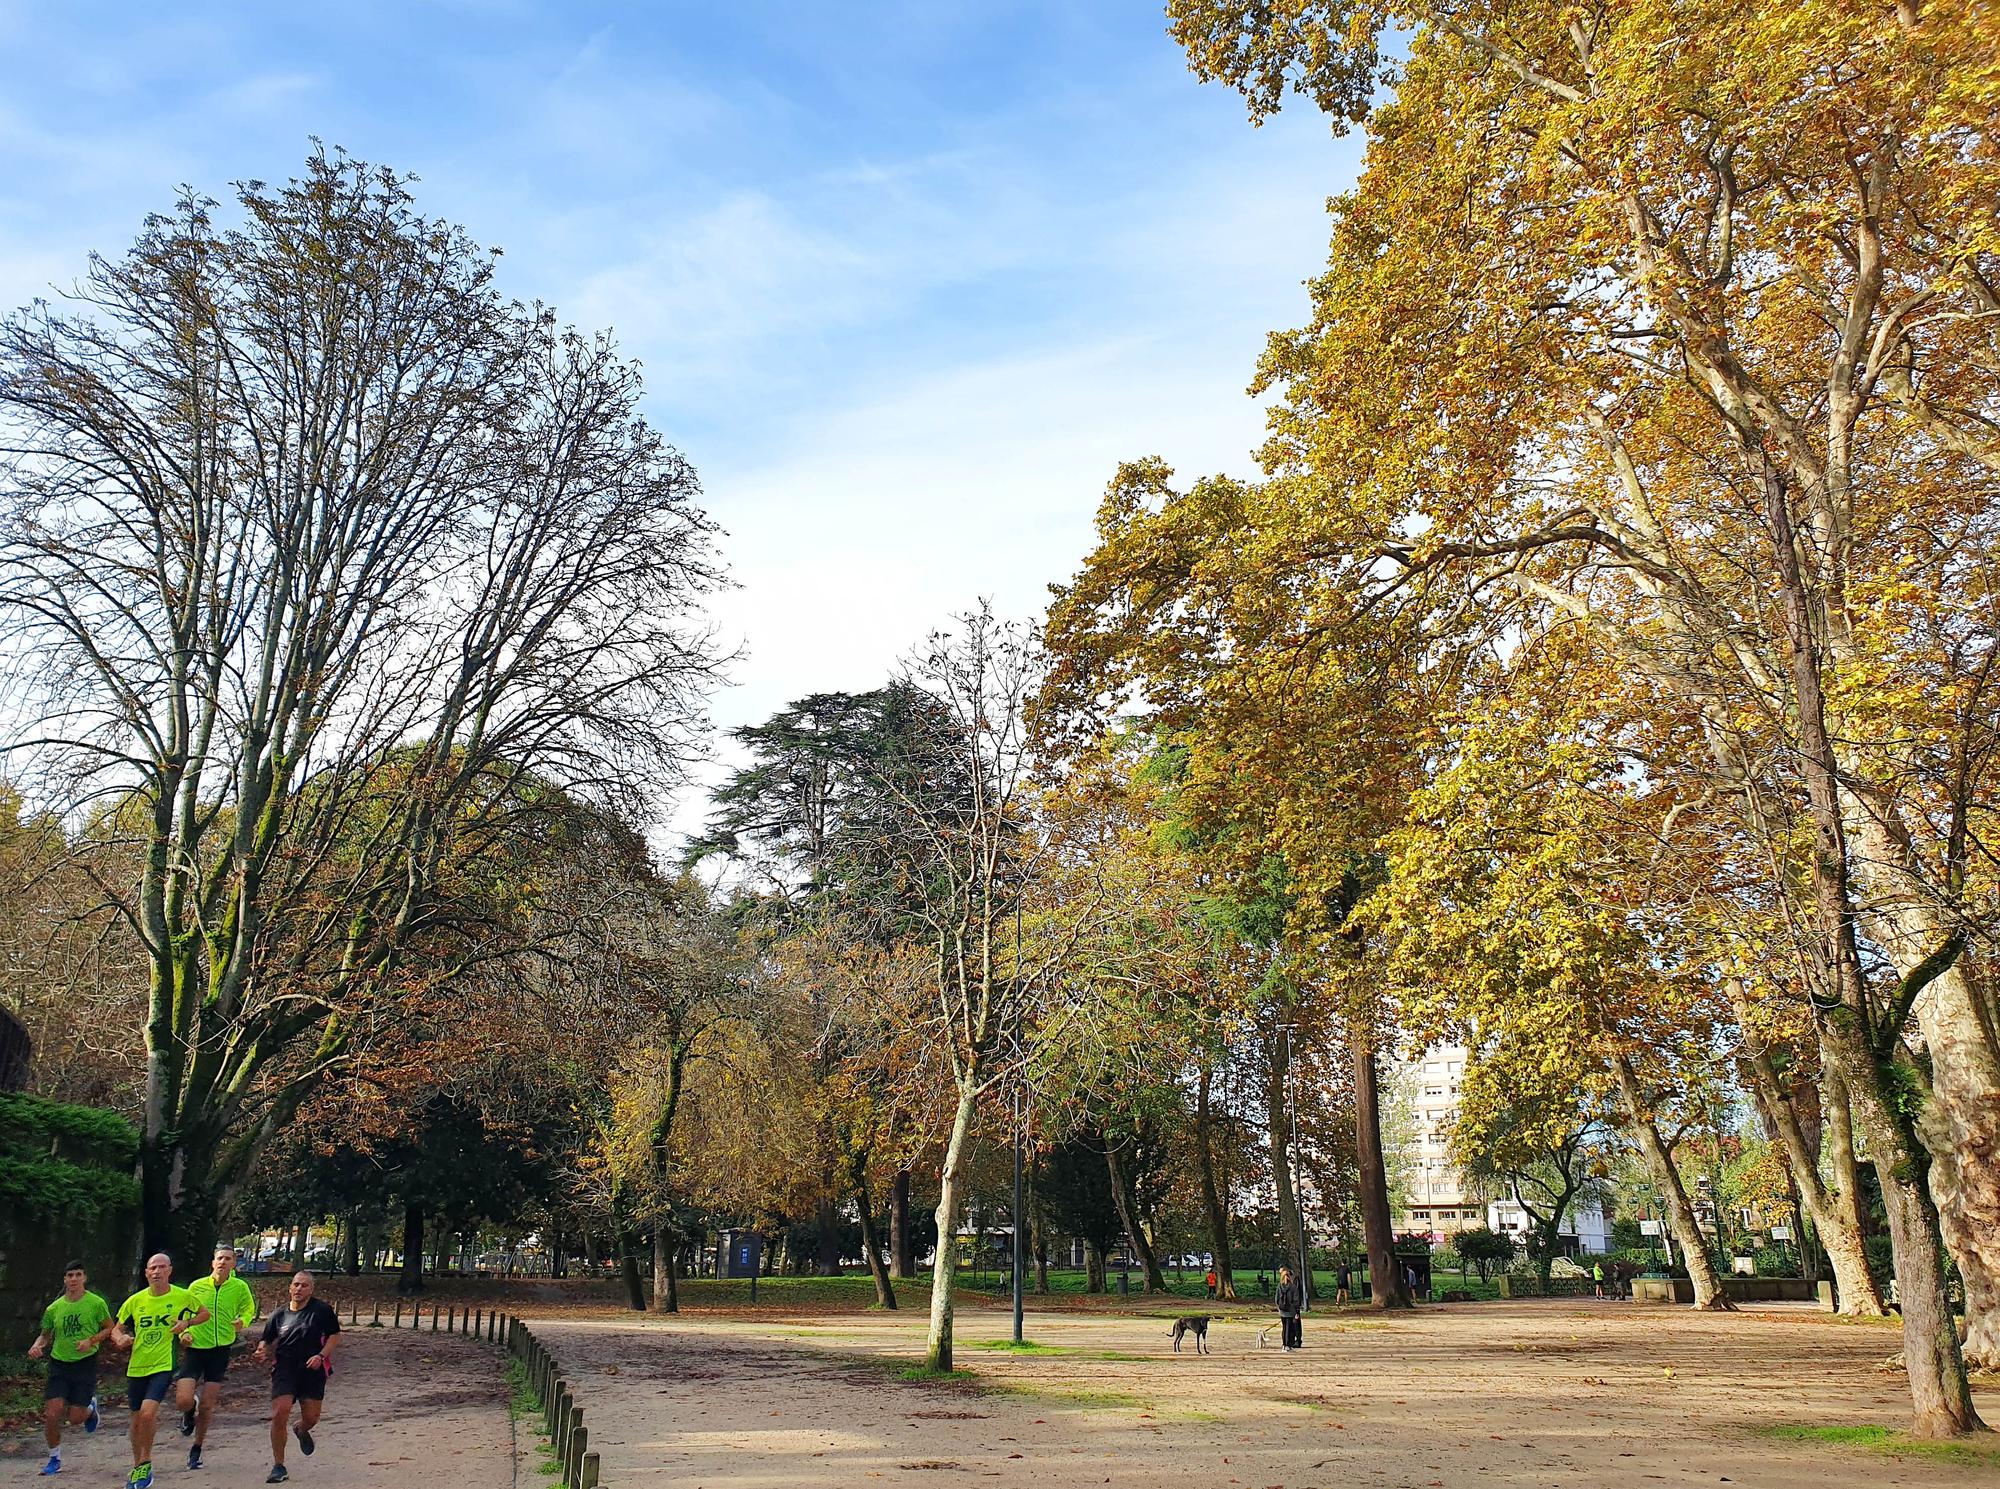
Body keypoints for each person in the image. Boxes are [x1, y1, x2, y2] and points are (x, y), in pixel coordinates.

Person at [112, 1253, 210, 1489]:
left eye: (161, 1267)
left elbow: (204, 1314)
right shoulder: (134, 1301)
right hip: (137, 1366)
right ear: (146, 1273)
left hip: (163, 1364)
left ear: (169, 1270)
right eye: (152, 1268)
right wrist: (121, 1338)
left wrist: (186, 1325)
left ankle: (146, 1463)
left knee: (147, 1413)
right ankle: (138, 1467)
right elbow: (116, 1329)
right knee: (136, 1420)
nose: (156, 1272)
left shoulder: (182, 1296)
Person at [26, 1260, 113, 1476]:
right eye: (70, 1275)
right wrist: (37, 1346)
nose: (73, 1279)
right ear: (64, 1279)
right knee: (52, 1414)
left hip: (84, 1364)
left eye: (78, 1275)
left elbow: (109, 1328)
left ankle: (90, 1410)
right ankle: (54, 1458)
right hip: (59, 1364)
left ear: (85, 1278)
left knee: (75, 1418)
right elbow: (45, 1335)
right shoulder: (54, 1308)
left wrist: (91, 1341)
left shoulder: (96, 1303)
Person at [254, 1270, 341, 1485]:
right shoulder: (279, 1315)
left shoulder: (321, 1311)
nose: (298, 1289)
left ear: (311, 1289)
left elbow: (335, 1335)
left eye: (304, 1285)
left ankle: (301, 1429)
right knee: (279, 1412)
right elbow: (266, 1340)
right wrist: (262, 1350)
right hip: (285, 1369)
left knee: (311, 1417)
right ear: (290, 1288)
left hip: (312, 1370)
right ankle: (279, 1465)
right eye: (295, 1285)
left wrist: (321, 1356)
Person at [177, 1244, 260, 1468]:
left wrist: (243, 1321)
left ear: (234, 1263)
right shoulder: (197, 1286)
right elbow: (182, 1314)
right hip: (195, 1348)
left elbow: (248, 1308)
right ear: (212, 1262)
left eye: (228, 1259)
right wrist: (184, 1333)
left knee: (207, 1405)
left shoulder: (239, 1287)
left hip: (220, 1350)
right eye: (219, 1258)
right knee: (183, 1399)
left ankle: (197, 1449)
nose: (223, 1262)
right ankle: (188, 1411)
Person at [1275, 1264, 1304, 1351]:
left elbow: (1276, 1298)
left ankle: (1284, 1344)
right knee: (1289, 1328)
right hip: (1290, 1311)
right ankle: (1288, 1345)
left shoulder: (1279, 1286)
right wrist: (1296, 1311)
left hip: (1282, 1310)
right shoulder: (1293, 1287)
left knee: (1284, 1328)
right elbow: (1296, 1301)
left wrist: (1279, 1307)